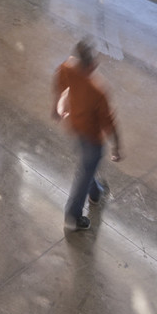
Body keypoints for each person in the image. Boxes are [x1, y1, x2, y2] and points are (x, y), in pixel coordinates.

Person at [52, 40, 122, 232]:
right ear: (91, 64)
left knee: (86, 167)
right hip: (92, 138)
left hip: (75, 128)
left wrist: (55, 107)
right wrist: (117, 147)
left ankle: (96, 193)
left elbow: (59, 82)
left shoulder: (69, 67)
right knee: (84, 173)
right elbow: (110, 123)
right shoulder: (98, 91)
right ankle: (72, 217)